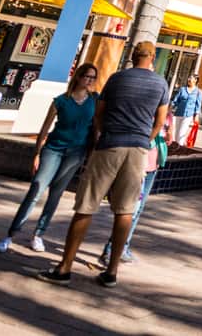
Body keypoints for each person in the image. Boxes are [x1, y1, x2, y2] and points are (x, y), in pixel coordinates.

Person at [41, 42, 169, 288]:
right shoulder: (160, 84)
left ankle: (65, 267)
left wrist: (100, 133)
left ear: (132, 56)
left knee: (86, 205)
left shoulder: (116, 79)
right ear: (152, 57)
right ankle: (112, 271)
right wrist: (146, 140)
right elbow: (159, 121)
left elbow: (99, 112)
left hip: (110, 144)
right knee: (125, 210)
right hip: (137, 149)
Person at [0, 63, 98, 254]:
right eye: (87, 76)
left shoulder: (94, 100)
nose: (90, 81)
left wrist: (91, 156)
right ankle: (11, 234)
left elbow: (96, 128)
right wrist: (36, 153)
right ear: (78, 77)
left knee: (56, 194)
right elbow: (45, 128)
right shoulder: (61, 101)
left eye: (93, 78)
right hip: (54, 149)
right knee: (36, 188)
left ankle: (39, 234)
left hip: (76, 152)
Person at [100, 105, 171, 267]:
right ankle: (111, 249)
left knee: (138, 210)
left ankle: (123, 246)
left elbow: (167, 138)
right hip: (139, 165)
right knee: (130, 210)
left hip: (153, 165)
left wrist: (167, 132)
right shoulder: (143, 113)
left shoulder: (167, 115)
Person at [169, 77, 201, 147]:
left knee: (181, 133)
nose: (188, 79)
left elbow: (198, 105)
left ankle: (179, 148)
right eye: (189, 78)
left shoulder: (198, 92)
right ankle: (174, 147)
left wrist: (196, 115)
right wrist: (170, 109)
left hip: (188, 115)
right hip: (178, 113)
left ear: (195, 80)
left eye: (191, 78)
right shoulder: (182, 89)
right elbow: (176, 100)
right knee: (175, 133)